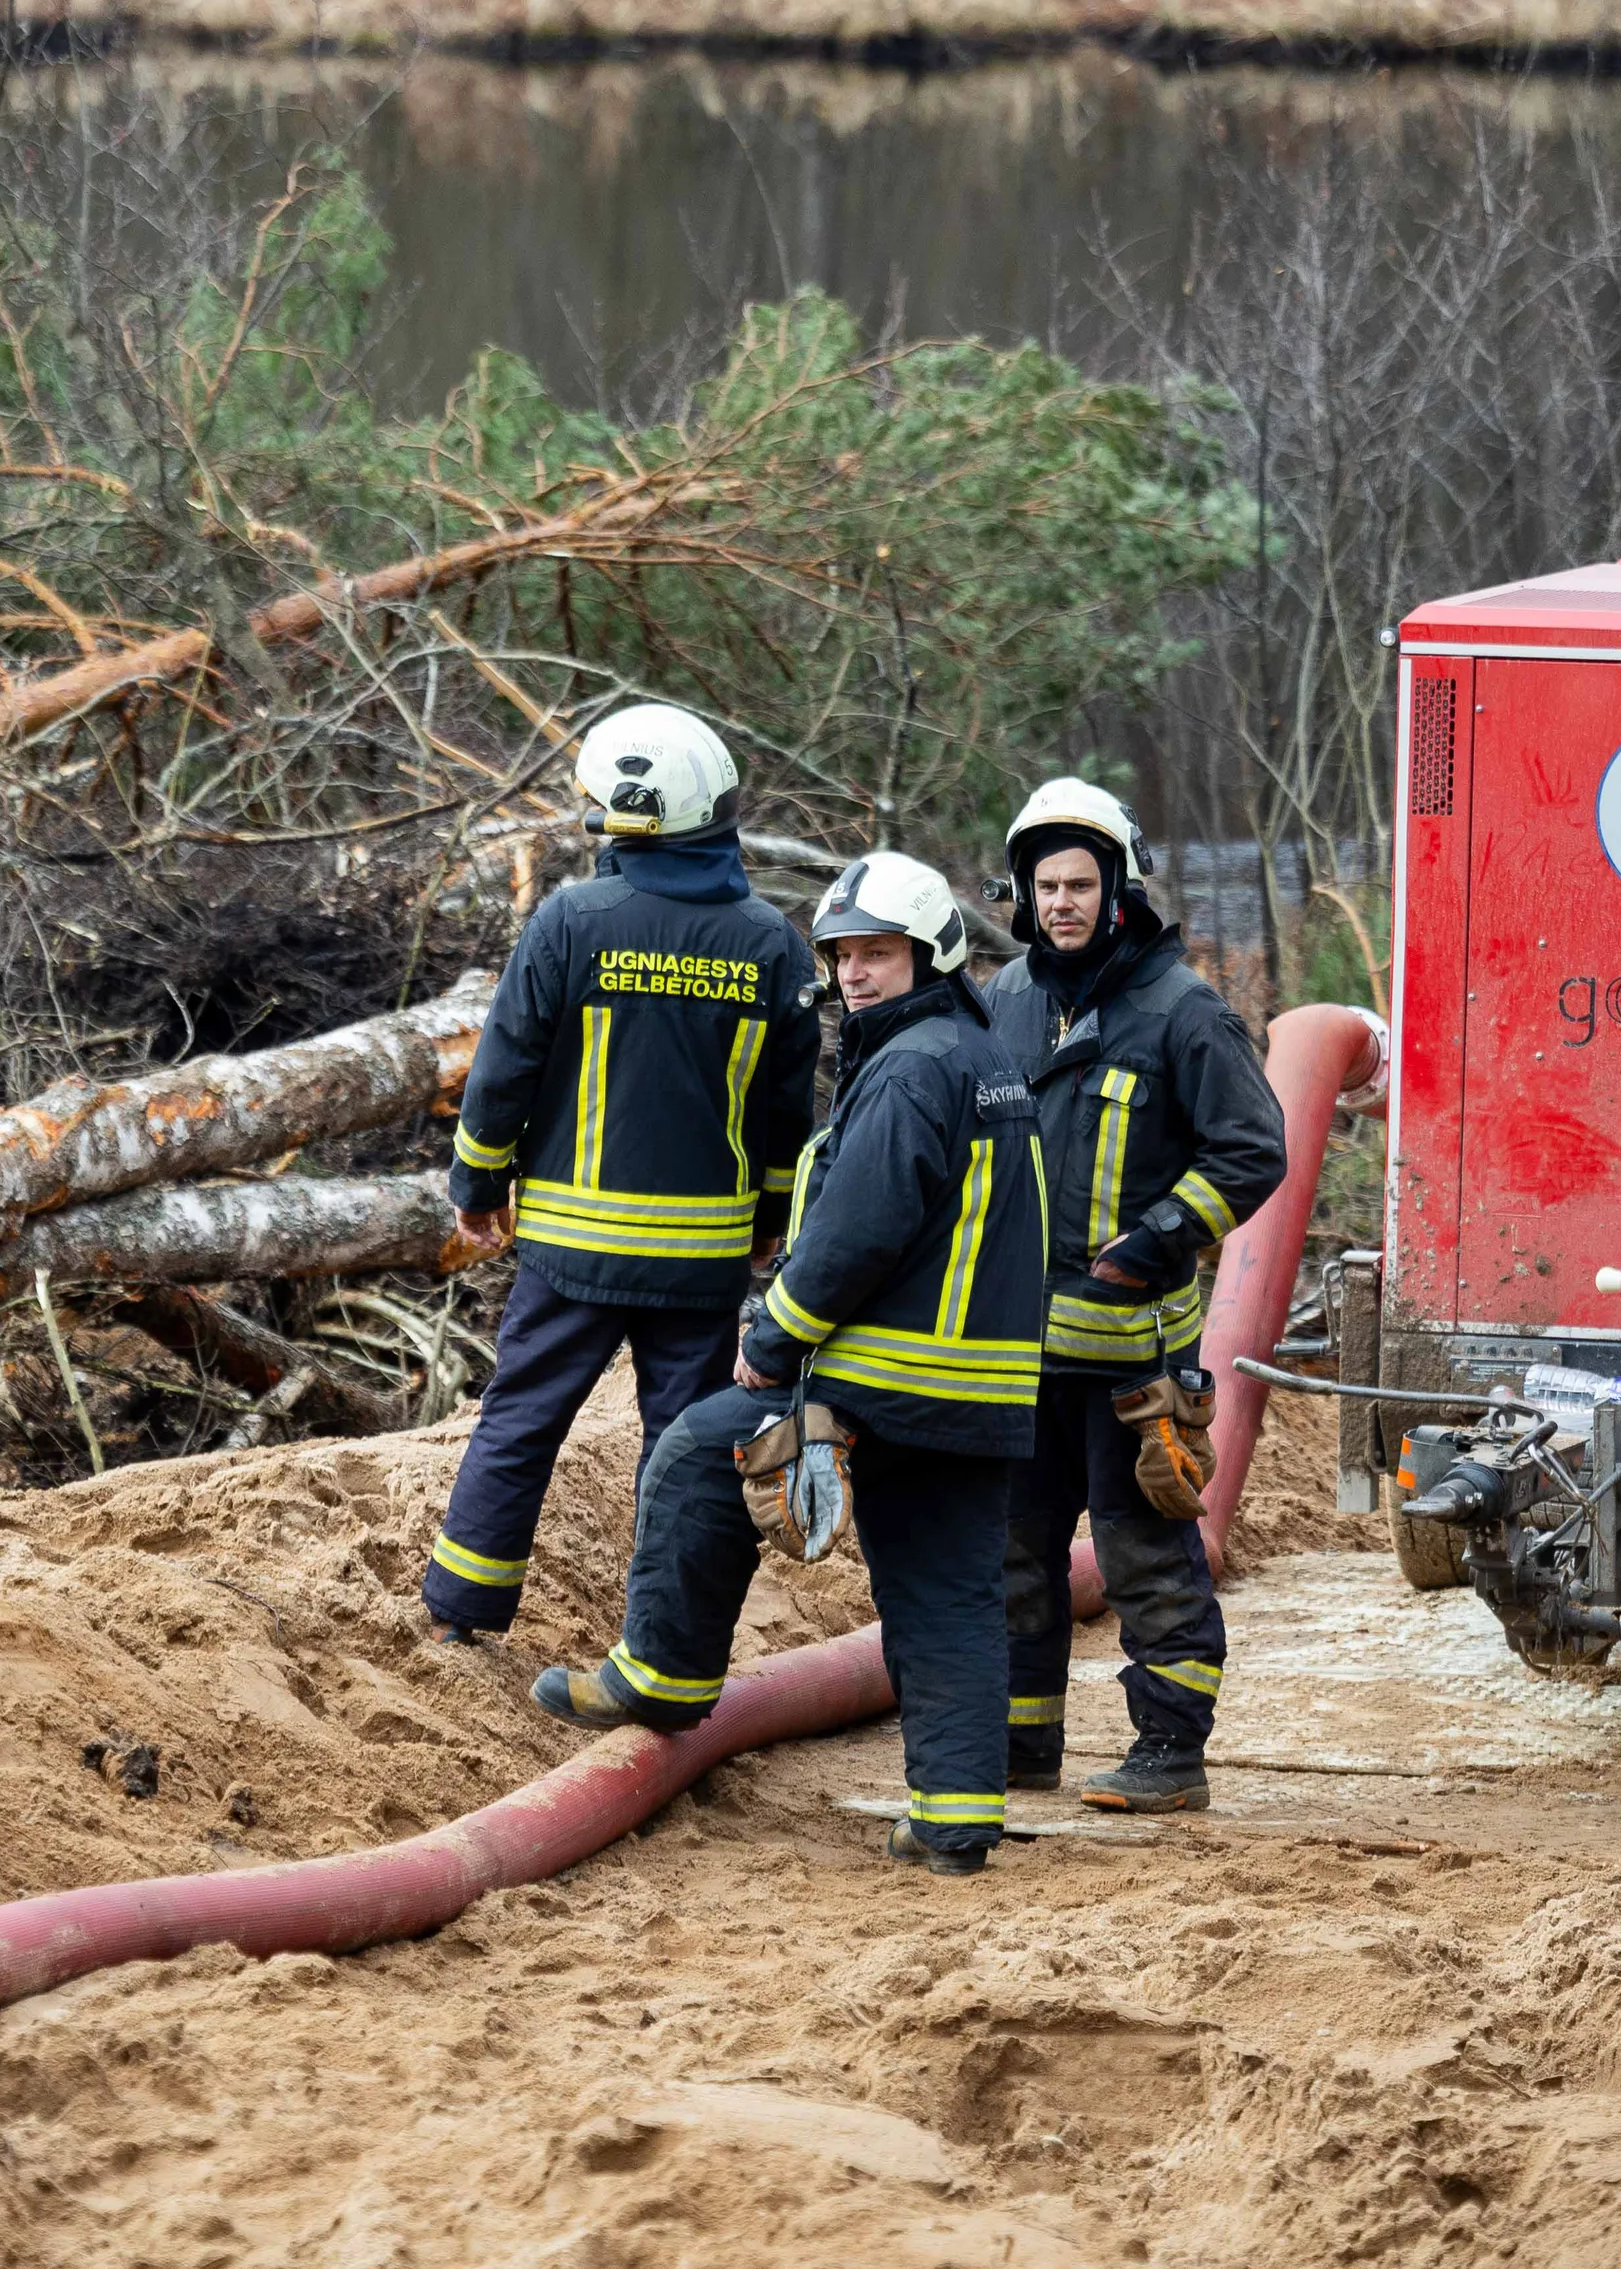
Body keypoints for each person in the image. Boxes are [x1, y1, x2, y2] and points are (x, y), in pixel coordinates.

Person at [534, 851, 1046, 1877]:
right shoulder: (981, 1057)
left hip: (885, 1377)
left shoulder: (911, 1068)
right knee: (949, 1592)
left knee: (698, 1453)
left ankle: (663, 1677)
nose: (855, 974)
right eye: (845, 954)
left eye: (878, 953)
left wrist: (771, 1343)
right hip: (980, 1393)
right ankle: (954, 1818)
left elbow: (857, 1232)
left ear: (932, 955)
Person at [421, 704, 821, 1645]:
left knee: (520, 1421)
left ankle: (459, 1615)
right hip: (701, 1262)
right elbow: (785, 1115)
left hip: (570, 1252)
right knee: (680, 1449)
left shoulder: (571, 921)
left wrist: (476, 1187)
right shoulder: (770, 943)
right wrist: (770, 1219)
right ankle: (661, 1643)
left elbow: (503, 1068)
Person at [983, 781, 1288, 1815]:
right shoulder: (1004, 1003)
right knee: (1016, 1555)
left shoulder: (1181, 1011)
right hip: (1019, 1359)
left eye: (1081, 883)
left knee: (1147, 1556)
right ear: (1024, 894)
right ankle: (1023, 1749)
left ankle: (1169, 1754)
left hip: (1130, 1363)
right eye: (1046, 884)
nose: (1062, 901)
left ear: (1118, 889)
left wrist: (1160, 1237)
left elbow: (1253, 1149)